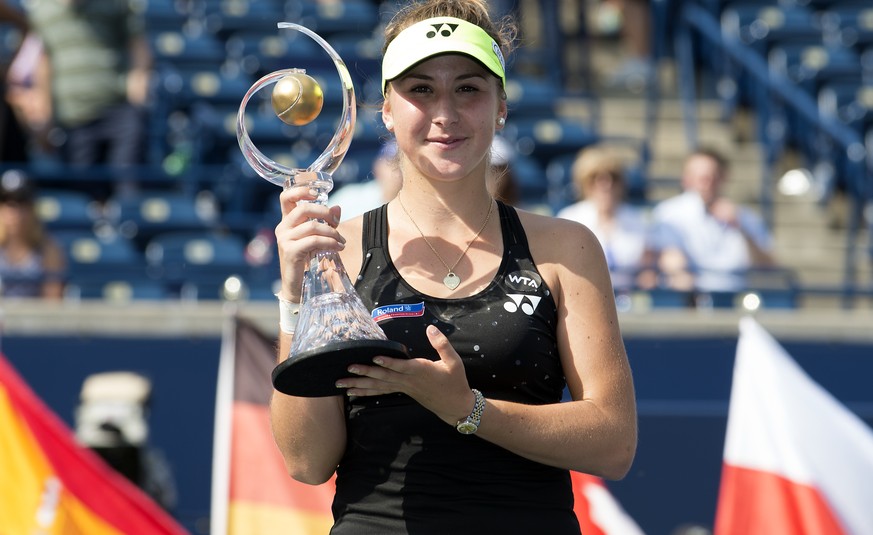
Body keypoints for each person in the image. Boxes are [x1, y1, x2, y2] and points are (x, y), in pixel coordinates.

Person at [270, 1, 638, 532]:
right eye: (420, 89)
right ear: (387, 111)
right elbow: (307, 462)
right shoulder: (335, 250)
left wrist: (468, 408)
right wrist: (296, 300)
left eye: (468, 88)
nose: (445, 112)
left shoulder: (566, 248)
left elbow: (614, 442)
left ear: (501, 106)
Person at [19, 0, 153, 198]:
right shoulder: (41, 11)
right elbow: (42, 62)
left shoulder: (115, 5)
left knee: (128, 186)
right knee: (83, 193)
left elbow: (138, 45)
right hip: (73, 117)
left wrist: (139, 77)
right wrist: (44, 112)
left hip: (119, 107)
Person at [650, 147, 776, 294]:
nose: (706, 184)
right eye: (700, 178)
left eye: (712, 177)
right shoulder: (668, 213)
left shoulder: (745, 217)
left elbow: (769, 265)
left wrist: (741, 227)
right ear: (686, 179)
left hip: (738, 298)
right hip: (691, 299)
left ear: (723, 177)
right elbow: (671, 261)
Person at [556, 145, 663, 292]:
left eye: (613, 177)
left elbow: (648, 269)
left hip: (629, 298)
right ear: (583, 183)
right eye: (594, 178)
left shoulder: (638, 220)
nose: (605, 185)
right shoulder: (569, 218)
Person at [0, 169, 65, 298]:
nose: (15, 213)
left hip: (36, 317)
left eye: (22, 204)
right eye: (8, 204)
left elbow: (53, 303)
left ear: (32, 208)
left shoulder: (49, 250)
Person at [330, 140, 404, 222]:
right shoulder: (349, 198)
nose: (398, 173)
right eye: (392, 164)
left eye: (403, 166)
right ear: (378, 168)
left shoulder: (416, 209)